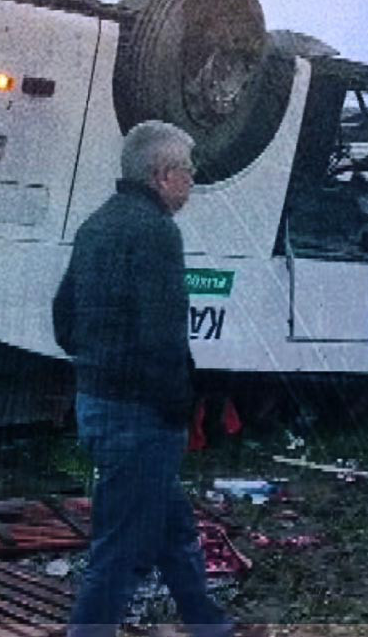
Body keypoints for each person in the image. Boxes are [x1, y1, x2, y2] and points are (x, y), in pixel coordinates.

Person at [53, 121, 233, 637]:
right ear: (162, 175)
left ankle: (209, 626)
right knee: (120, 548)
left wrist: (98, 364)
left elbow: (63, 317)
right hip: (140, 417)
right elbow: (162, 339)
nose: (193, 181)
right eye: (188, 172)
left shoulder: (97, 225)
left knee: (173, 527)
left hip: (98, 403)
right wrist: (179, 409)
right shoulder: (156, 232)